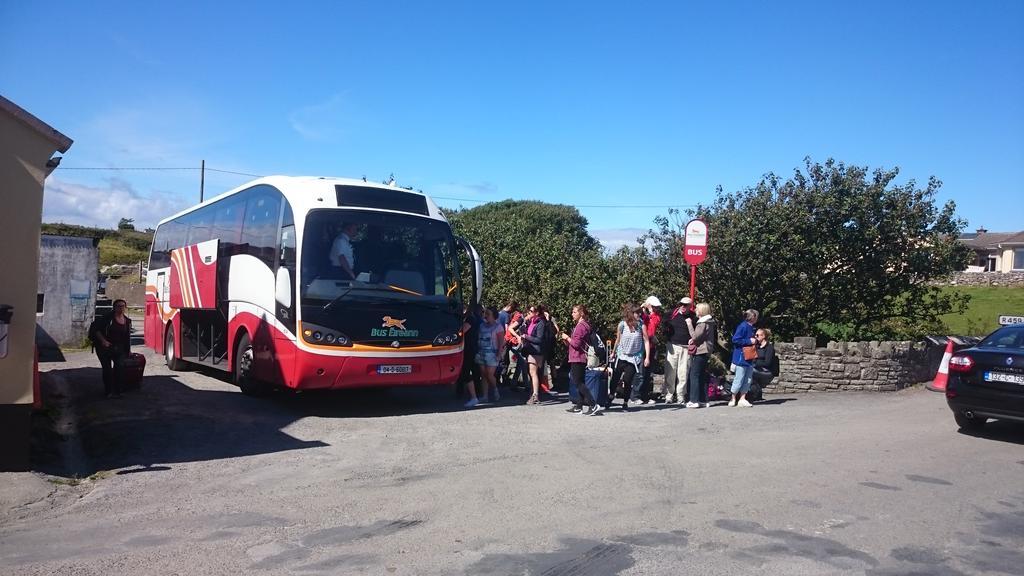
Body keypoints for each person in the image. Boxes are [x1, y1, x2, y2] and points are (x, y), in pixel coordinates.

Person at [607, 303, 650, 411]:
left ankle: (625, 402)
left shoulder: (641, 325)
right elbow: (618, 339)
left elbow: (646, 341)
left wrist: (647, 357)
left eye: (640, 313)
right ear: (631, 313)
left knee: (627, 380)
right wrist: (613, 352)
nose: (639, 315)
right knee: (615, 377)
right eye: (636, 313)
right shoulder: (622, 324)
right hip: (622, 355)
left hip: (634, 357)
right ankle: (611, 395)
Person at [562, 304, 601, 415]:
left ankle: (593, 404)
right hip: (578, 356)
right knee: (580, 381)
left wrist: (567, 338)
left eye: (575, 312)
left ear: (581, 313)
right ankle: (579, 405)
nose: (572, 314)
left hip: (578, 357)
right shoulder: (582, 325)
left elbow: (576, 344)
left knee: (578, 382)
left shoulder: (581, 326)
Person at [89, 299, 132, 398]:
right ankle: (108, 392)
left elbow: (127, 337)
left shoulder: (127, 321)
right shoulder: (107, 318)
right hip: (104, 348)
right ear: (114, 307)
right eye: (118, 306)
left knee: (120, 367)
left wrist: (128, 350)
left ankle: (119, 390)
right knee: (107, 369)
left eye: (122, 306)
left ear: (125, 307)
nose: (120, 308)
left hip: (119, 348)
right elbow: (96, 330)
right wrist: (103, 341)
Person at [466, 307, 504, 408]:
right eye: (485, 313)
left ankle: (495, 388)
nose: (486, 316)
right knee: (483, 374)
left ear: (494, 316)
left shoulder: (498, 327)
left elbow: (501, 342)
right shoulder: (482, 325)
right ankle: (485, 395)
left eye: (488, 314)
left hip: (492, 353)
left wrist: (499, 354)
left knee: (489, 374)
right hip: (481, 351)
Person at [663, 296, 696, 404]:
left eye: (686, 305)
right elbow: (663, 324)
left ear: (690, 306)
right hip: (673, 346)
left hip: (686, 348)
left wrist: (693, 339)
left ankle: (681, 395)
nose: (683, 306)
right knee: (670, 371)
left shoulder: (693, 317)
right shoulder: (672, 314)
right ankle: (669, 395)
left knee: (683, 373)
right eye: (681, 304)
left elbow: (696, 333)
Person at [686, 302, 717, 408]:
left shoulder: (702, 323)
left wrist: (689, 324)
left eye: (697, 309)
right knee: (702, 375)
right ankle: (703, 399)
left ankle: (694, 400)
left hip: (701, 351)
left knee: (694, 375)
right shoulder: (710, 322)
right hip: (706, 351)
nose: (695, 310)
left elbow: (695, 336)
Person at [729, 309, 760, 407]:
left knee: (748, 379)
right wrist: (749, 341)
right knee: (739, 378)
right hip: (741, 357)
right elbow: (735, 340)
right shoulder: (743, 326)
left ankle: (743, 398)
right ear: (753, 317)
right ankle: (733, 398)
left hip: (749, 358)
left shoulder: (751, 327)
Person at [519, 305, 549, 405]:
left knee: (533, 373)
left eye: (531, 311)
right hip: (530, 349)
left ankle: (535, 395)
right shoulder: (531, 322)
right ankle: (533, 393)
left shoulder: (540, 323)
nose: (529, 313)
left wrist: (526, 337)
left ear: (537, 313)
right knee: (532, 373)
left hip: (536, 351)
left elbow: (539, 339)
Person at [639, 296, 663, 403]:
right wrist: (643, 310)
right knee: (640, 372)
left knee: (650, 372)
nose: (656, 309)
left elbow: (651, 330)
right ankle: (637, 394)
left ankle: (648, 395)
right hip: (641, 346)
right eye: (654, 307)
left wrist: (651, 312)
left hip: (651, 347)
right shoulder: (643, 315)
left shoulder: (656, 316)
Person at [459, 303, 482, 400]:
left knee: (466, 370)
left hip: (469, 348)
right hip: (472, 347)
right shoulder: (475, 318)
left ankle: (471, 393)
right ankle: (477, 391)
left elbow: (463, 330)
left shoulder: (470, 319)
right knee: (474, 370)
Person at [750, 328, 777, 402]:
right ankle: (755, 394)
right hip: (757, 369)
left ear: (763, 336)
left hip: (767, 371)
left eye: (757, 335)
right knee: (747, 370)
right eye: (755, 335)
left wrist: (755, 363)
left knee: (750, 371)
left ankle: (754, 394)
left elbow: (767, 363)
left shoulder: (769, 348)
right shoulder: (756, 346)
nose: (755, 337)